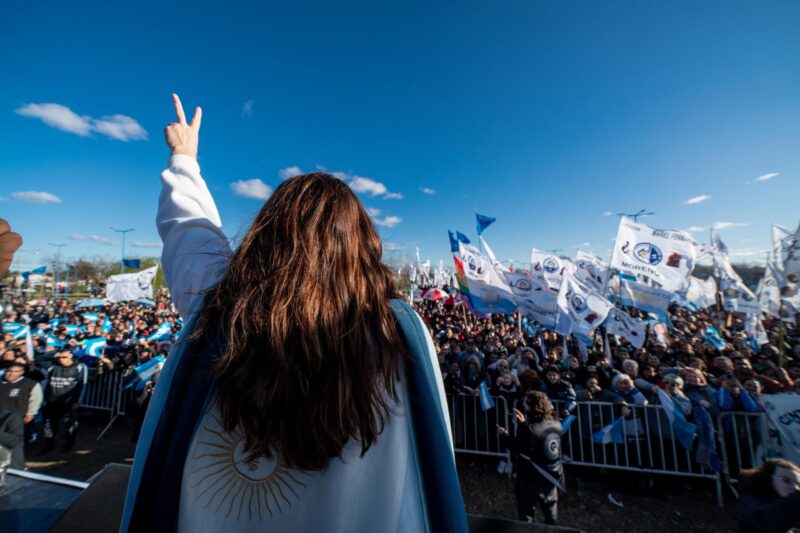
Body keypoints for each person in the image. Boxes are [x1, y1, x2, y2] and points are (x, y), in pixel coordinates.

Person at [122, 95, 464, 533]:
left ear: (264, 238)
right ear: (362, 247)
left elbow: (189, 235)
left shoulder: (221, 311)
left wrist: (184, 158)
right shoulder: (397, 333)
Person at [498, 391, 564, 525]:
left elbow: (517, 446)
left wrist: (504, 435)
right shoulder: (556, 424)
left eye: (526, 402)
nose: (523, 403)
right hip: (552, 476)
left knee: (527, 516)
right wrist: (523, 424)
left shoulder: (530, 428)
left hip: (531, 477)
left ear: (532, 405)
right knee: (551, 516)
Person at [40, 349, 87, 453]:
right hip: (51, 401)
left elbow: (82, 384)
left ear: (71, 356)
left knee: (69, 425)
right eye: (59, 357)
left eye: (64, 357)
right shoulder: (52, 365)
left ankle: (69, 442)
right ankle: (49, 443)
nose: (61, 359)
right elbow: (38, 359)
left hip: (68, 402)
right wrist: (53, 354)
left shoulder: (80, 367)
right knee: (48, 425)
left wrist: (78, 401)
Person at [738, 458, 800, 532]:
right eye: (786, 480)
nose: (795, 488)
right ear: (768, 478)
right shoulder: (750, 501)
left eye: (798, 484)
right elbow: (764, 520)